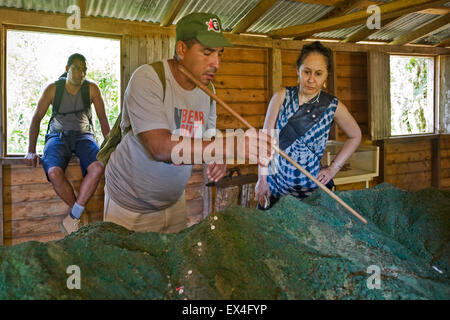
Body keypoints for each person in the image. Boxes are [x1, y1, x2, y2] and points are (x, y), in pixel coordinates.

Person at [103, 12, 273, 234]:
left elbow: (208, 138)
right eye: (207, 52)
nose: (216, 63)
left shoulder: (209, 91)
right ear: (182, 50)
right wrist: (231, 146)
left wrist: (217, 158)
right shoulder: (148, 78)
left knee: (171, 266)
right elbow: (160, 148)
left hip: (173, 204)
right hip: (129, 207)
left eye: (219, 54)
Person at [255, 41, 362, 210]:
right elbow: (265, 141)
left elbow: (355, 136)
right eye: (307, 72)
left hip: (311, 194)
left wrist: (333, 169)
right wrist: (262, 179)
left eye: (318, 73)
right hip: (275, 189)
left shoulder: (332, 106)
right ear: (298, 70)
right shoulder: (281, 97)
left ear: (326, 76)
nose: (311, 79)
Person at [24, 53, 111, 234]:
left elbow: (103, 119)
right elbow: (36, 118)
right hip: (58, 136)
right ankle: (79, 214)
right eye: (77, 68)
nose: (81, 73)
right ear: (67, 69)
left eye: (84, 69)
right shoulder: (53, 89)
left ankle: (73, 217)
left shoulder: (92, 89)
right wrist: (31, 150)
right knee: (54, 172)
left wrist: (111, 147)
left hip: (84, 136)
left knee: (97, 167)